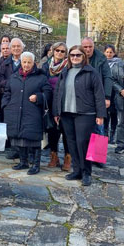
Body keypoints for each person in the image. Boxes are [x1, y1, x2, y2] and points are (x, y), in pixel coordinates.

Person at [52, 46, 106, 186]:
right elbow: (57, 92)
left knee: (83, 143)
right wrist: (56, 112)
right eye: (72, 55)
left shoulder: (91, 72)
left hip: (85, 113)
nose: (75, 57)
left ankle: (86, 172)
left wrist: (100, 114)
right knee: (71, 143)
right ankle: (77, 170)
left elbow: (99, 94)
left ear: (83, 56)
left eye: (78, 55)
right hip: (66, 113)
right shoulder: (65, 72)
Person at [2, 52, 52, 175]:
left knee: (34, 140)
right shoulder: (14, 77)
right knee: (18, 138)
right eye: (24, 62)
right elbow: (7, 92)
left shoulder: (41, 77)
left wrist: (38, 97)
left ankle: (36, 165)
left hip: (33, 113)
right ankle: (23, 162)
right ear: (21, 62)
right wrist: (6, 105)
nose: (26, 65)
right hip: (14, 111)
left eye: (29, 62)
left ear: (34, 63)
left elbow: (48, 93)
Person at [82, 38, 112, 167]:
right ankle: (84, 156)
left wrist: (107, 96)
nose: (88, 49)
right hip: (83, 96)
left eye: (90, 47)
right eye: (85, 47)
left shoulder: (101, 58)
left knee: (99, 126)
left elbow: (107, 77)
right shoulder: (77, 56)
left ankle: (98, 157)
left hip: (98, 96)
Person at [0, 37, 25, 160]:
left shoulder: (26, 60)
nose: (16, 48)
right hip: (8, 96)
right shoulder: (5, 63)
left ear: (22, 48)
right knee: (11, 122)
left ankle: (23, 149)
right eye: (14, 46)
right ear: (10, 49)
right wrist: (10, 84)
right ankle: (14, 148)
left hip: (23, 96)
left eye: (18, 46)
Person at [41, 42, 69, 170]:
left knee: (66, 130)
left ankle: (68, 158)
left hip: (64, 102)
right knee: (52, 130)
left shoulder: (68, 66)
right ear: (53, 51)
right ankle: (54, 156)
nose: (59, 53)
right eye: (57, 50)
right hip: (50, 102)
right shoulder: (46, 65)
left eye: (62, 51)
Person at [104, 44, 122, 144]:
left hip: (115, 92)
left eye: (111, 52)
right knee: (105, 114)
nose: (109, 54)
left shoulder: (119, 63)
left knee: (114, 114)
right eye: (107, 52)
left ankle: (112, 134)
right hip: (105, 92)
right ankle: (105, 133)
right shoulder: (102, 63)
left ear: (114, 53)